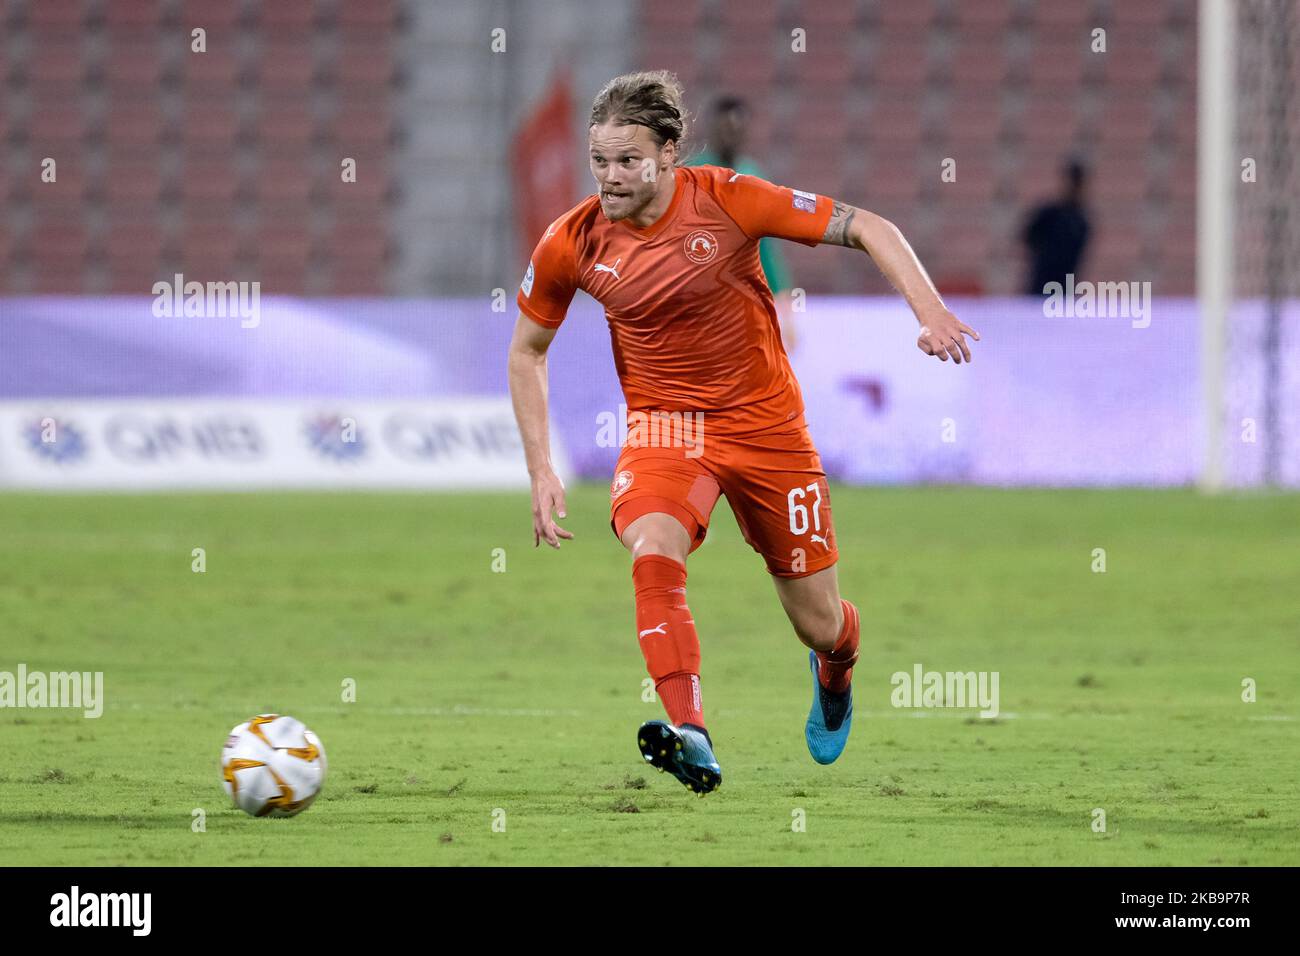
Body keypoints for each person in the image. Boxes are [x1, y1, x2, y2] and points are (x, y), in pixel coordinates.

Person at [506, 71, 978, 795]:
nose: (610, 177)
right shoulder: (572, 241)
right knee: (653, 545)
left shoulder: (728, 198)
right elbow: (528, 350)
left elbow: (868, 226)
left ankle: (836, 667)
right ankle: (690, 730)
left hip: (767, 429)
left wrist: (931, 312)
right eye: (599, 160)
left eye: (628, 160)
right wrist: (541, 468)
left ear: (669, 153)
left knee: (819, 623)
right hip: (665, 428)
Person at [687, 96, 797, 348]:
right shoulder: (692, 176)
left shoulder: (754, 176)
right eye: (725, 129)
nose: (731, 136)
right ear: (712, 131)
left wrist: (785, 309)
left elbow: (767, 250)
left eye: (737, 129)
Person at [1021, 158, 1091, 295]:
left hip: (1064, 289)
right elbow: (1027, 238)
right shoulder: (1049, 214)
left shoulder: (1082, 221)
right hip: (1039, 286)